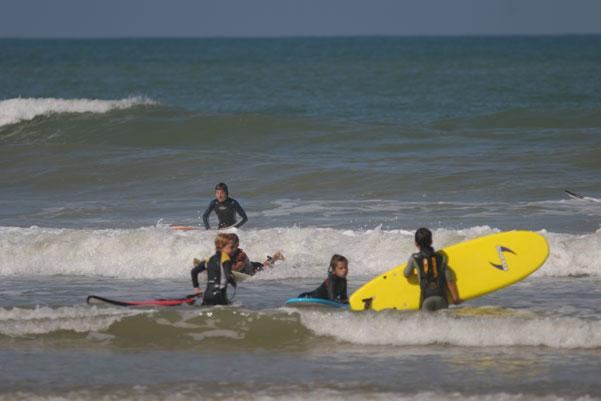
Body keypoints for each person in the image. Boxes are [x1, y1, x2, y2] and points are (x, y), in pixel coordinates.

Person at [403, 228, 463, 311]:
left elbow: (406, 274)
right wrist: (455, 298)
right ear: (431, 241)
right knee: (442, 323)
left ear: (416, 243)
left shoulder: (414, 258)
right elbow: (448, 280)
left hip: (426, 298)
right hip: (441, 297)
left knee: (426, 323)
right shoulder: (441, 258)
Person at [191, 233, 237, 306]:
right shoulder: (226, 259)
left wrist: (196, 288)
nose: (233, 249)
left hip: (207, 295)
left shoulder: (209, 259)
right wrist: (233, 282)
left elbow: (194, 271)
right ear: (222, 246)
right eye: (231, 247)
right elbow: (228, 277)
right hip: (219, 295)